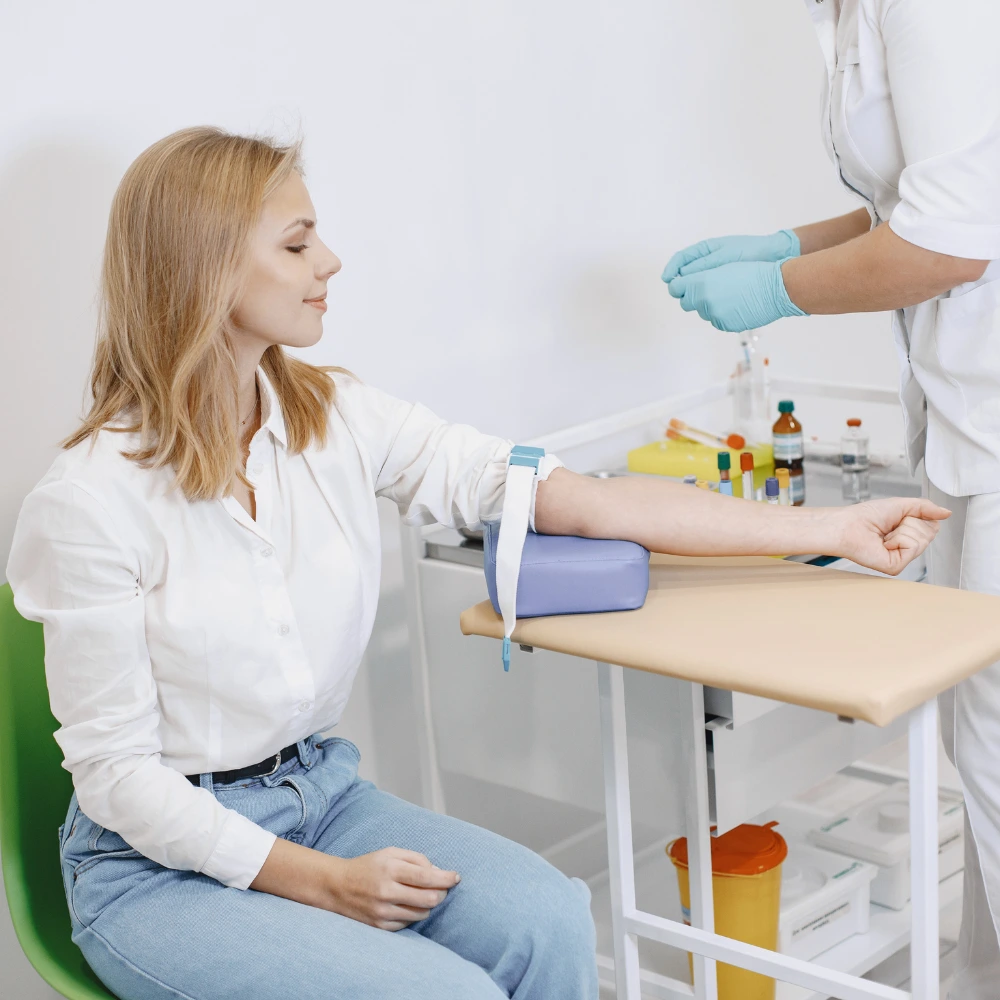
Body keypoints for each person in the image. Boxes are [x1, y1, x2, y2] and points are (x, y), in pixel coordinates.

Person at [6, 127, 946, 1000]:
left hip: (318, 797)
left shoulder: (332, 417)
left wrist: (834, 529)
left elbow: (590, 500)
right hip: (154, 870)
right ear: (204, 269)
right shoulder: (91, 503)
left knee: (547, 919)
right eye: (297, 245)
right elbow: (120, 783)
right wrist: (325, 886)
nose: (329, 262)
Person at [661, 1, 1000, 994]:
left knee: (989, 733)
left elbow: (950, 242)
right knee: (977, 734)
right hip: (965, 412)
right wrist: (782, 243)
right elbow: (928, 194)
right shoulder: (855, 10)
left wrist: (785, 287)